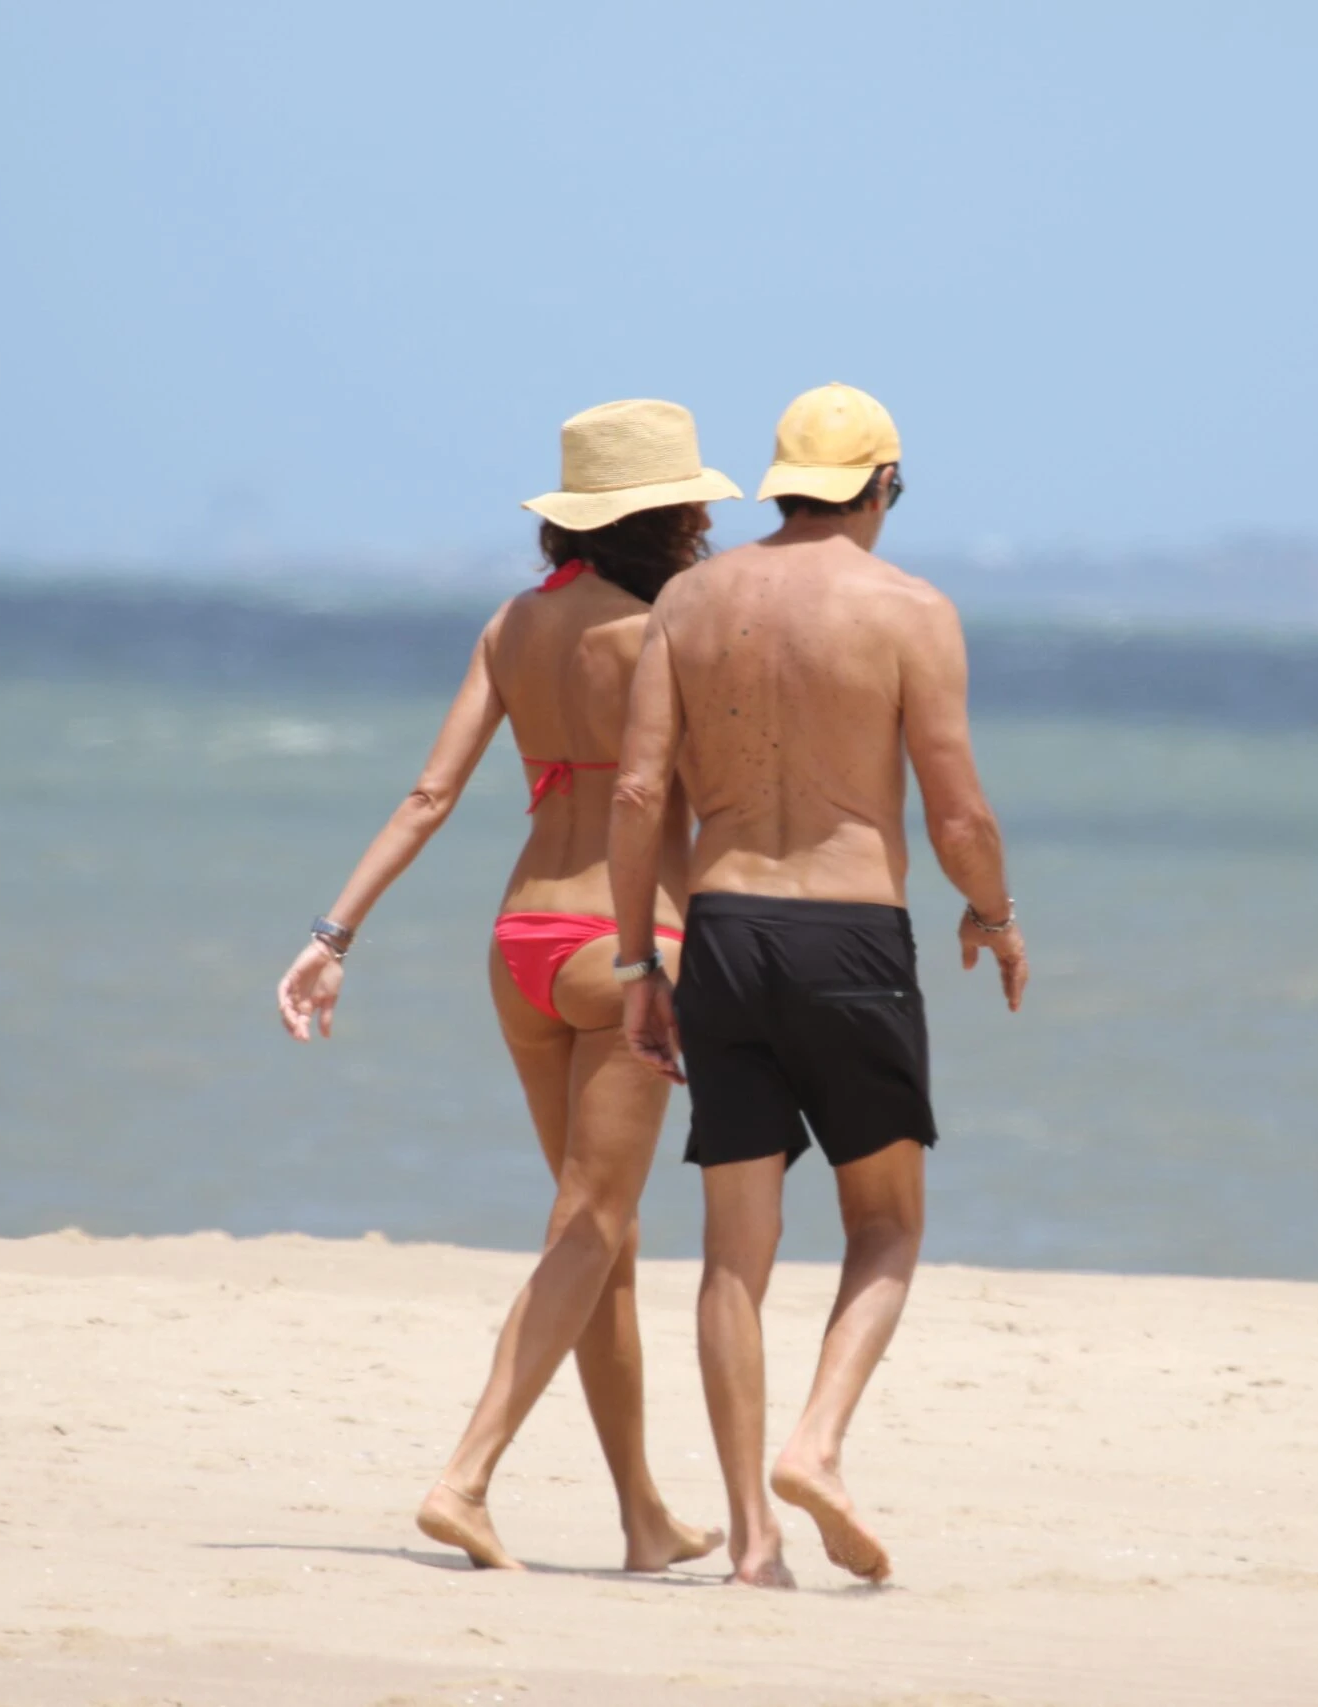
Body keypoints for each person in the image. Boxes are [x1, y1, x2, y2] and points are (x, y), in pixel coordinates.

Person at [274, 398, 739, 1573]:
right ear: (676, 519)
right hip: (631, 948)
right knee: (591, 1226)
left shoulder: (510, 627)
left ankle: (641, 1515)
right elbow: (714, 814)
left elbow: (428, 796)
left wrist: (333, 933)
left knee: (603, 1237)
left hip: (522, 940)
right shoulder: (664, 637)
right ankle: (466, 1478)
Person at [605, 383, 1027, 1587]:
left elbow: (640, 796)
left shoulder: (689, 599)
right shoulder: (910, 610)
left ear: (780, 484)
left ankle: (750, 1543)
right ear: (882, 486)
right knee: (886, 1225)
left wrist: (641, 960)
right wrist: (993, 919)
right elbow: (959, 809)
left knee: (733, 1251)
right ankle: (819, 1445)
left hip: (724, 934)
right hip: (850, 938)